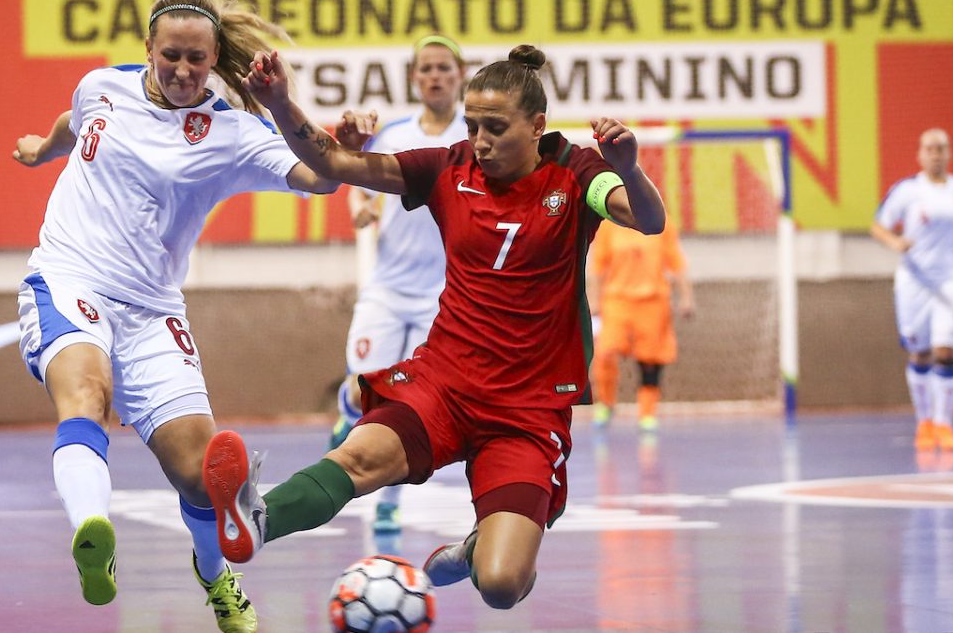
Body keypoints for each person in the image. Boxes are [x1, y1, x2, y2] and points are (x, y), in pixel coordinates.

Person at [202, 44, 666, 610]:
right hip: (443, 385)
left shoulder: (575, 171)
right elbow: (335, 163)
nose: (480, 140)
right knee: (357, 456)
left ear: (537, 125)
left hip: (526, 410)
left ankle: (478, 552)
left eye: (496, 127)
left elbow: (648, 218)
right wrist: (279, 103)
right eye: (472, 125)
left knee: (501, 585)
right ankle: (256, 521)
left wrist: (628, 169)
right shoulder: (450, 169)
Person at [11, 0, 356, 632]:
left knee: (200, 476)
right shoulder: (101, 86)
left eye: (196, 60)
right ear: (148, 50)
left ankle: (214, 573)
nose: (181, 71)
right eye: (170, 56)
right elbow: (74, 122)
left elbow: (320, 179)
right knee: (86, 394)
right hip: (68, 278)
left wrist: (340, 148)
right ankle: (92, 528)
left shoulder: (234, 133)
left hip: (152, 311)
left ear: (214, 59)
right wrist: (42, 150)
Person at [330, 33, 468, 536]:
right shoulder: (392, 137)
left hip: (442, 295)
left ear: (460, 75)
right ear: (415, 78)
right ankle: (346, 417)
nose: (434, 75)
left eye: (443, 68)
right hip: (387, 290)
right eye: (426, 68)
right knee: (358, 391)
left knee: (402, 405)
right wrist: (361, 206)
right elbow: (355, 182)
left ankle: (386, 501)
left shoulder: (476, 140)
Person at [871, 128, 953, 452]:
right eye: (930, 149)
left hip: (952, 279)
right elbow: (878, 225)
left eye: (942, 148)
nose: (936, 154)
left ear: (949, 153)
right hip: (915, 280)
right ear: (920, 154)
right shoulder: (908, 191)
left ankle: (944, 423)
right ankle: (924, 423)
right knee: (919, 351)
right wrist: (896, 241)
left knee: (946, 350)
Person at [586, 216, 694, 431]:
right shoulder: (608, 226)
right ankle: (605, 403)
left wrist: (686, 298)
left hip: (653, 301)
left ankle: (647, 413)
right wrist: (594, 299)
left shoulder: (661, 223)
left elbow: (677, 263)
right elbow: (597, 266)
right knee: (605, 352)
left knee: (651, 359)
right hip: (617, 300)